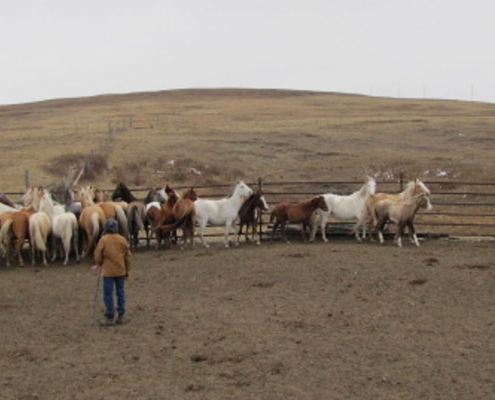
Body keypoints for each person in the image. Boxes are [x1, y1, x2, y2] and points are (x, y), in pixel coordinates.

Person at [94, 218, 132, 326]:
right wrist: (127, 270)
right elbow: (128, 256)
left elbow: (97, 255)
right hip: (120, 270)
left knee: (108, 294)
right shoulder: (122, 240)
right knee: (121, 292)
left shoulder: (103, 240)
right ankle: (121, 315)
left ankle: (110, 315)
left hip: (108, 272)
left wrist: (100, 262)